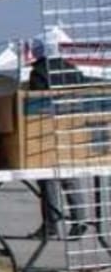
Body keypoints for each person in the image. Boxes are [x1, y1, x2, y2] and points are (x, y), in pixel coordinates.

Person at [28, 27, 89, 239]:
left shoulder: (40, 72)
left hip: (48, 129)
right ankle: (80, 219)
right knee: (71, 177)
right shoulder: (73, 70)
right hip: (72, 128)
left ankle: (51, 224)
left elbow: (36, 103)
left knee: (48, 179)